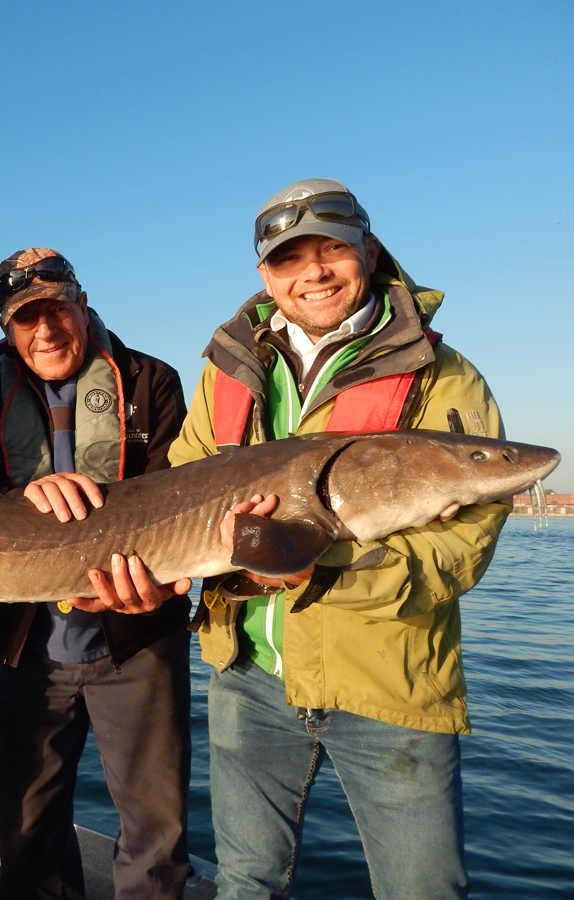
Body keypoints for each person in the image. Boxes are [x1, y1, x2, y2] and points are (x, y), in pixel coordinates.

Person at [108, 178, 506, 899]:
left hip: (390, 684)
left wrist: (318, 572)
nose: (314, 273)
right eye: (290, 259)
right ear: (266, 276)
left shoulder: (443, 376)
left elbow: (464, 546)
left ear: (370, 252)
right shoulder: (227, 367)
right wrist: (154, 578)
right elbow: (180, 485)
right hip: (247, 674)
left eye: (332, 251)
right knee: (245, 885)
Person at [0, 248, 193, 899]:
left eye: (56, 310)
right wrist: (17, 499)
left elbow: (182, 497)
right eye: (26, 318)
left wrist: (160, 589)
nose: (45, 330)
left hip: (139, 644)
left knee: (156, 842)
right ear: (6, 326)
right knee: (27, 836)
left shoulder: (151, 381)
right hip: (29, 647)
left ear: (82, 304)